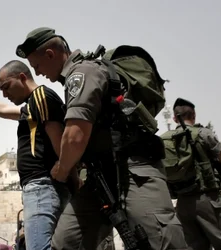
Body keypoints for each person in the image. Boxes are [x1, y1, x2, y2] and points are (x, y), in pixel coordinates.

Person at [15, 27, 187, 250]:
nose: (38, 74)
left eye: (36, 66)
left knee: (161, 241)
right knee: (67, 242)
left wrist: (62, 168)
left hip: (134, 170)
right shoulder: (76, 77)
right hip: (102, 176)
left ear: (50, 54)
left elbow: (75, 136)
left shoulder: (81, 74)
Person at [0, 60, 77, 250]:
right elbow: (2, 110)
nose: (4, 94)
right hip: (43, 188)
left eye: (6, 87)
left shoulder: (41, 96)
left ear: (22, 77)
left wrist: (67, 171)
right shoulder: (34, 104)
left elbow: (60, 141)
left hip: (42, 187)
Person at [161, 97, 221, 250]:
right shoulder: (204, 134)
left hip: (183, 204)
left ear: (174, 118)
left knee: (194, 246)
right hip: (208, 199)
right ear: (194, 115)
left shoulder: (167, 140)